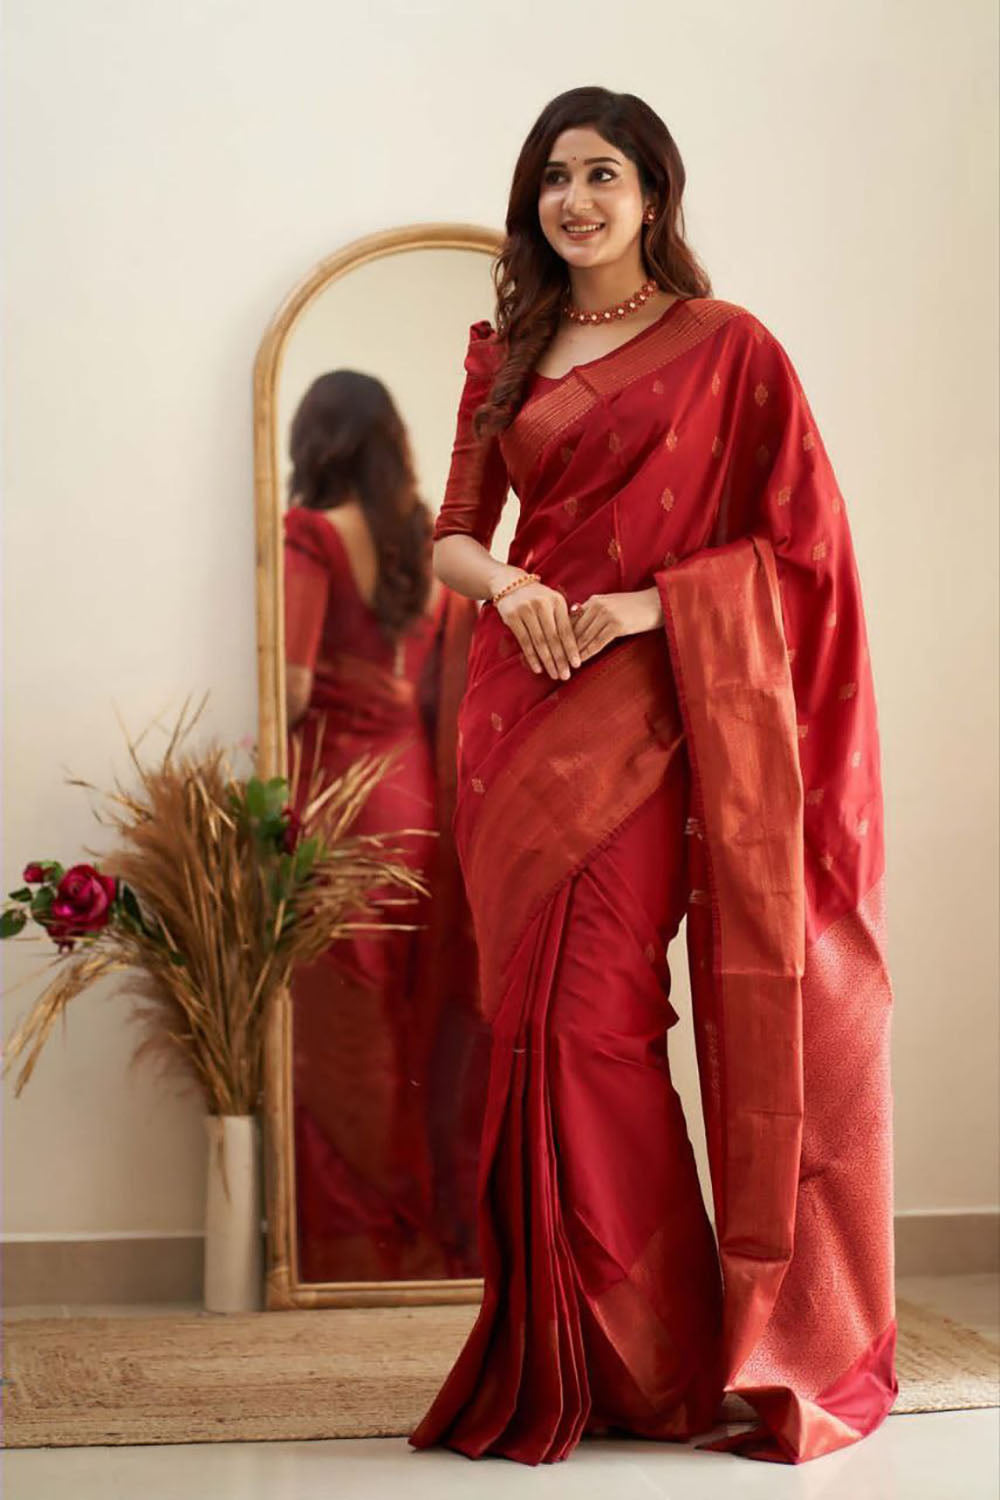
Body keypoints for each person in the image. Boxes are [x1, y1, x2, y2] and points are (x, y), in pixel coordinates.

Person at [407, 86, 897, 1465]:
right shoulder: (504, 351)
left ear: (654, 196)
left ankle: (663, 1353)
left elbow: (803, 559)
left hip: (648, 705)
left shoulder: (729, 351)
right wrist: (514, 594)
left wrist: (632, 609)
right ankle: (572, 1350)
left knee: (598, 1026)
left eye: (603, 174)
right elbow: (451, 533)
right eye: (554, 176)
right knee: (527, 1030)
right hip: (513, 712)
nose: (576, 199)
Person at [283, 370, 484, 1284]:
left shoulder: (313, 534)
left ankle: (360, 1243)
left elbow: (287, 685)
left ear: (314, 444)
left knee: (343, 1027)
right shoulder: (428, 545)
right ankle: (426, 1227)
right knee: (409, 1020)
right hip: (419, 803)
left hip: (337, 798)